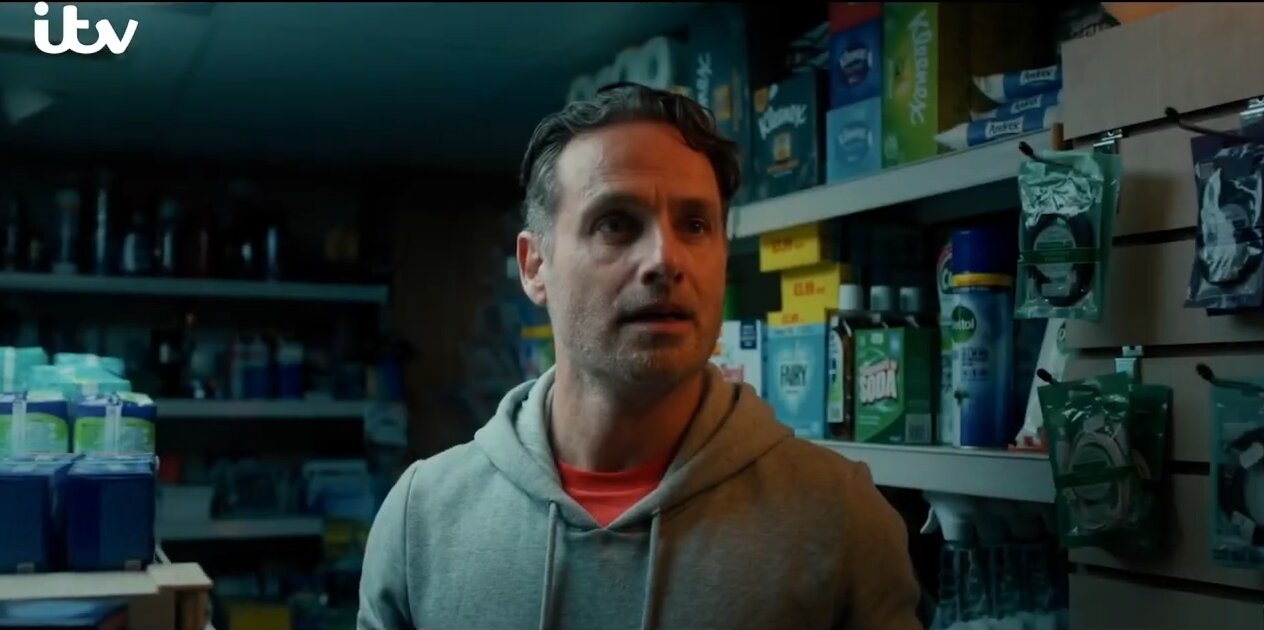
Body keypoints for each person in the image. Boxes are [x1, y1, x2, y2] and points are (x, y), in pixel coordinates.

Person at [358, 82, 924, 630]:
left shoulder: (840, 518)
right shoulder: (420, 518)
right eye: (616, 224)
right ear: (534, 266)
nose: (665, 260)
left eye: (695, 225)